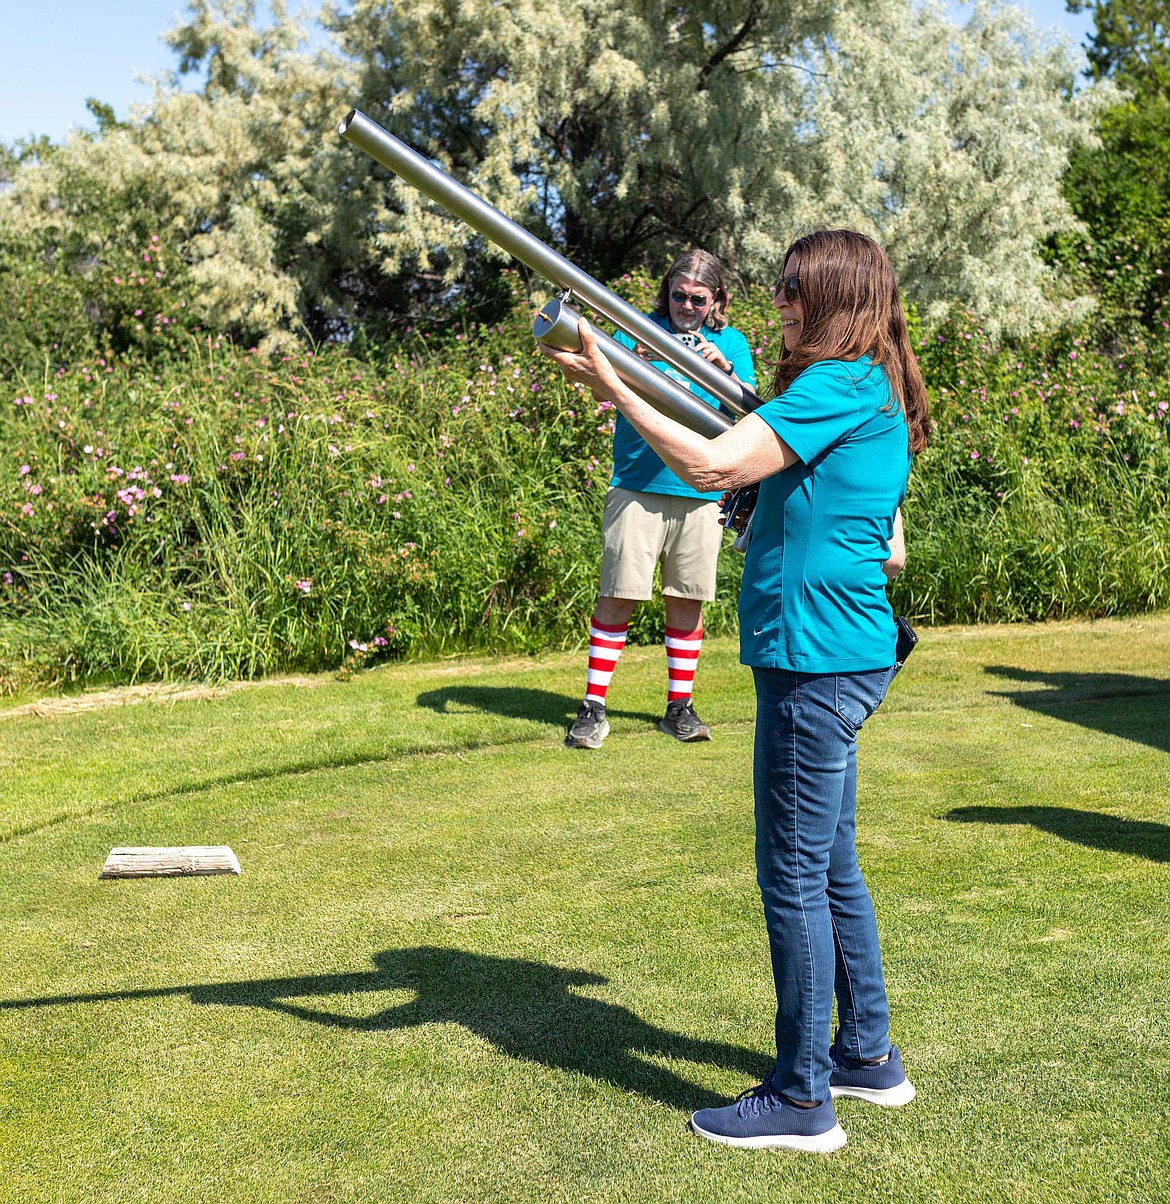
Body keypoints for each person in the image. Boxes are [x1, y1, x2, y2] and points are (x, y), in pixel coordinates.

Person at [543, 229, 929, 1152]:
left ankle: (802, 1099)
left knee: (792, 875)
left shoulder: (837, 384)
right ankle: (868, 1057)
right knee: (831, 864)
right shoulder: (865, 384)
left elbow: (714, 469)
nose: (782, 301)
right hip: (840, 652)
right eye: (782, 286)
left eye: (797, 288)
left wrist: (612, 380)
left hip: (814, 663)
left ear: (838, 296)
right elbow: (887, 539)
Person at [565, 249, 757, 750]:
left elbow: (753, 415)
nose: (686, 307)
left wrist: (726, 371)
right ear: (666, 290)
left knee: (687, 599)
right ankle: (592, 708)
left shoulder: (731, 342)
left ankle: (680, 707)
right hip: (636, 485)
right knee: (618, 595)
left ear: (716, 299)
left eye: (698, 298)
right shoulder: (639, 329)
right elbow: (595, 379)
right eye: (678, 295)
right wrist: (639, 362)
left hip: (702, 490)